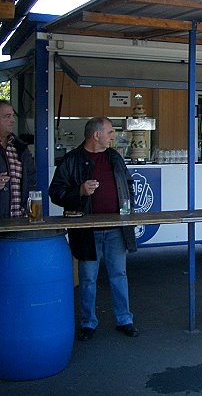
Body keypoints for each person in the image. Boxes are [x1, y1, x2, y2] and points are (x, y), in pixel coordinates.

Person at [49, 117, 139, 341]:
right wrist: (79, 191)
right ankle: (88, 323)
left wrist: (129, 206)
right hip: (87, 229)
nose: (113, 136)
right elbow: (55, 192)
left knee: (119, 274)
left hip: (116, 228)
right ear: (96, 135)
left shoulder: (114, 157)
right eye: (109, 132)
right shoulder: (72, 160)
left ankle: (124, 319)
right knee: (88, 279)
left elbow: (128, 184)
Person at [0, 100, 36, 218]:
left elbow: (30, 182)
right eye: (7, 116)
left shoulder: (20, 148)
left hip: (19, 221)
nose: (13, 120)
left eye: (13, 116)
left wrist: (29, 212)